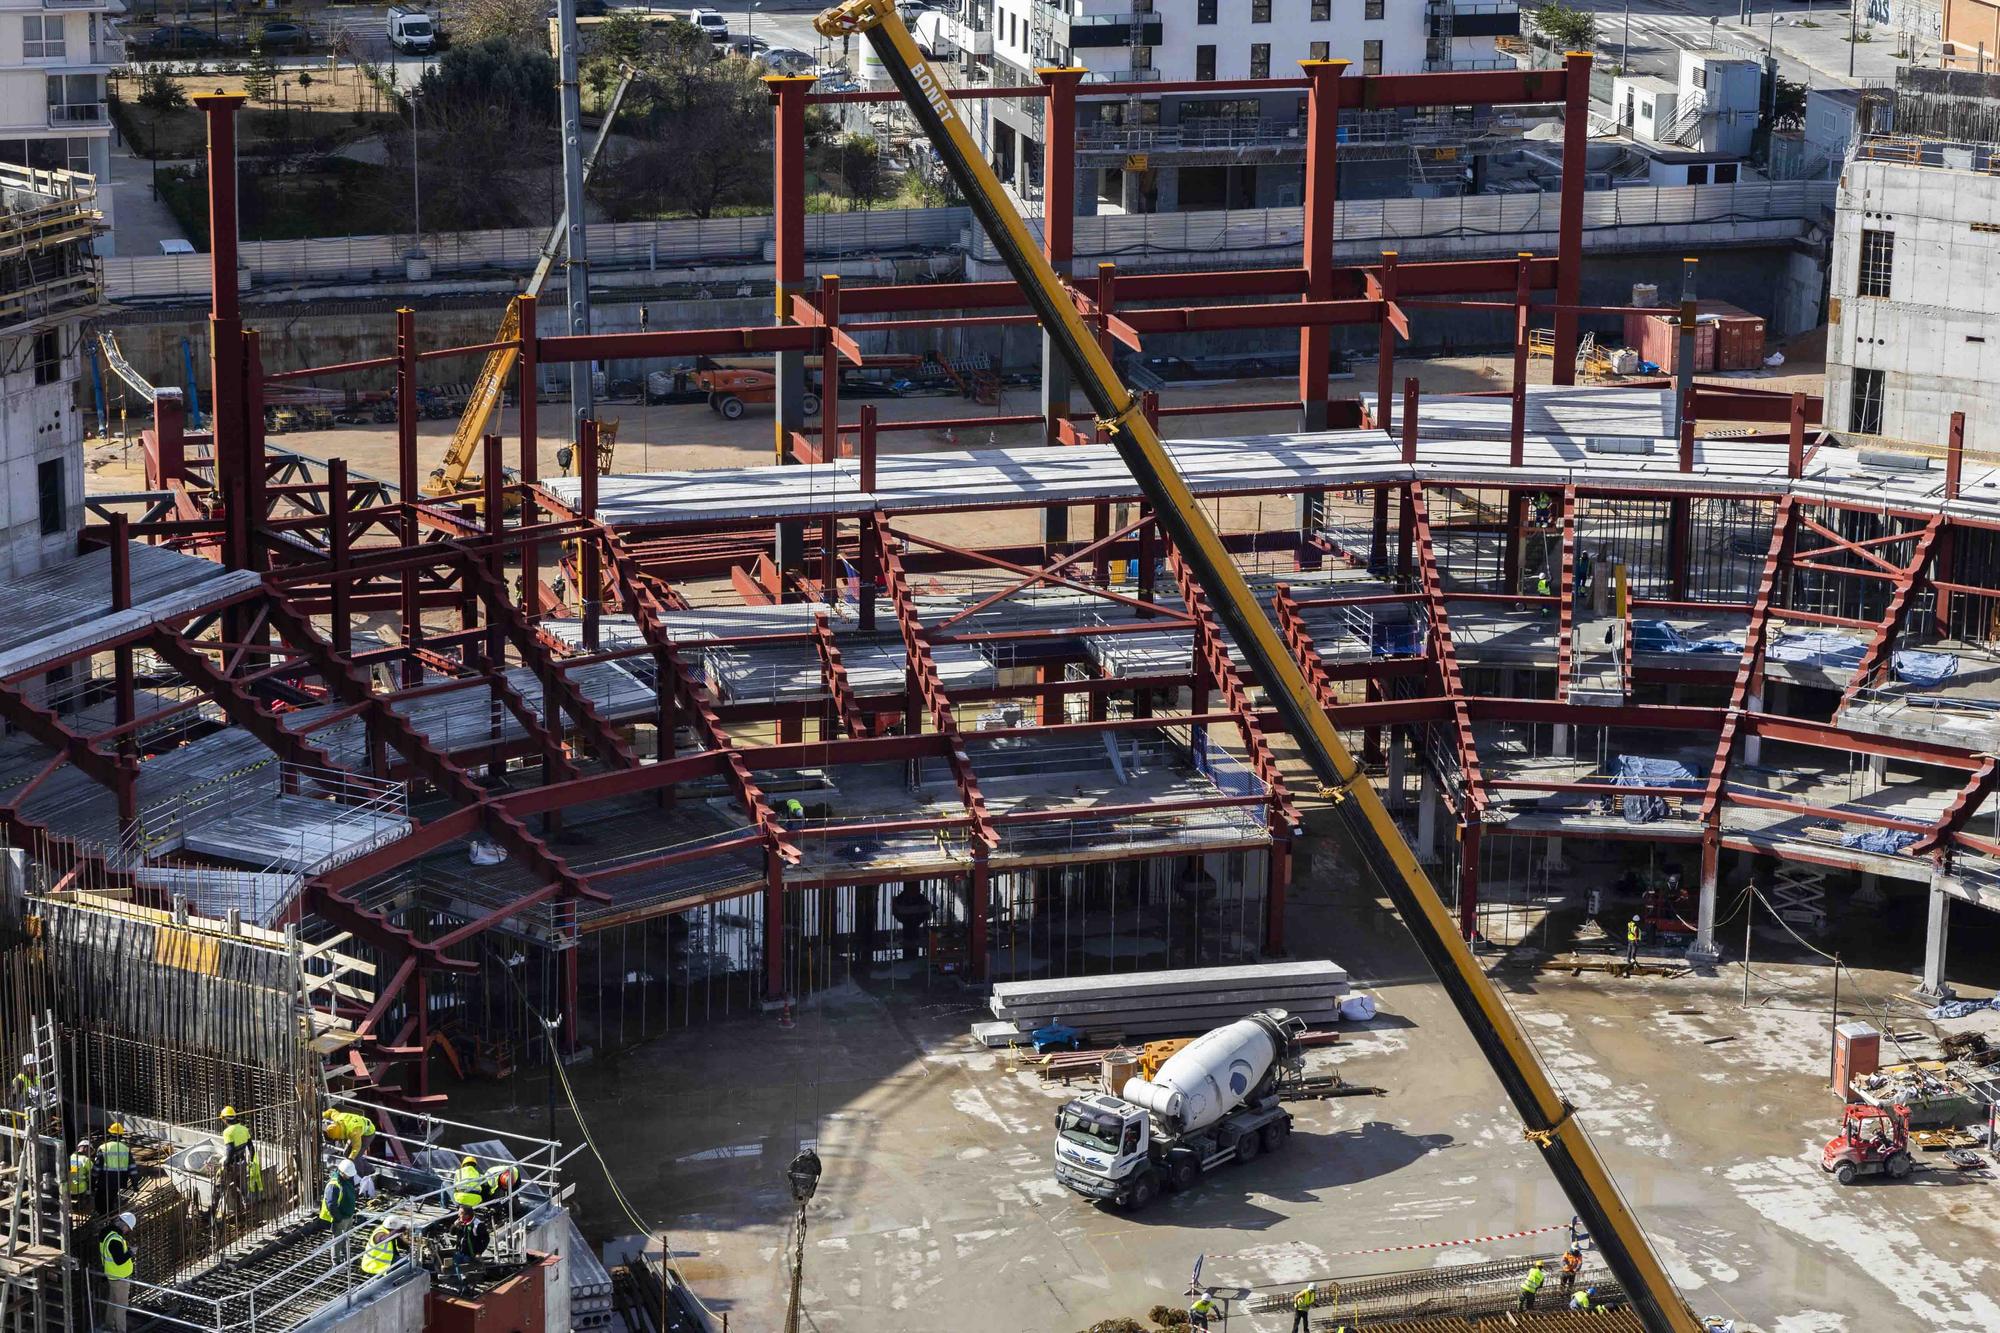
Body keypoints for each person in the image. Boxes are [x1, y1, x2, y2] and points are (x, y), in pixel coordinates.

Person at [99, 1211, 135, 1333]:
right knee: (122, 1306)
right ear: (123, 1225)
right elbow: (119, 1260)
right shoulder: (115, 1240)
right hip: (120, 1278)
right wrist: (130, 1253)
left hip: (112, 1275)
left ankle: (109, 1325)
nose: (127, 1231)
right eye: (128, 1228)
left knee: (113, 1302)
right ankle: (121, 1330)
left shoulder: (107, 1233)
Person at [215, 1107, 252, 1219]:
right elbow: (251, 1147)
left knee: (218, 1187)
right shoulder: (244, 1129)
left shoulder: (227, 1132)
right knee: (242, 1188)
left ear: (225, 1119)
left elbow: (230, 1150)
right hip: (242, 1162)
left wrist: (226, 1164)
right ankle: (247, 1210)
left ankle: (212, 1212)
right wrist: (251, 1161)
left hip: (232, 1165)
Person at [96, 1123, 133, 1211]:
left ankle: (103, 1215)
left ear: (110, 1134)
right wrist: (134, 1183)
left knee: (100, 1199)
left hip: (104, 1180)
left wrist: (93, 1180)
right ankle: (110, 1214)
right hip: (118, 1180)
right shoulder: (125, 1149)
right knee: (111, 1198)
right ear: (120, 1136)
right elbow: (131, 1167)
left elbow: (97, 1166)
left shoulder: (103, 1147)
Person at [320, 1158, 359, 1228]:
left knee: (346, 1236)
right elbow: (331, 1205)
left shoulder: (347, 1179)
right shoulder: (334, 1185)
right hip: (341, 1219)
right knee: (339, 1238)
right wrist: (339, 1218)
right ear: (342, 1172)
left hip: (348, 1215)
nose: (350, 1176)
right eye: (348, 1174)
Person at [67, 1140, 93, 1206]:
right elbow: (93, 1173)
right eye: (90, 1150)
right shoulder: (86, 1160)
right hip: (80, 1189)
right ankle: (82, 1205)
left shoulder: (69, 1156)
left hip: (67, 1188)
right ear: (85, 1148)